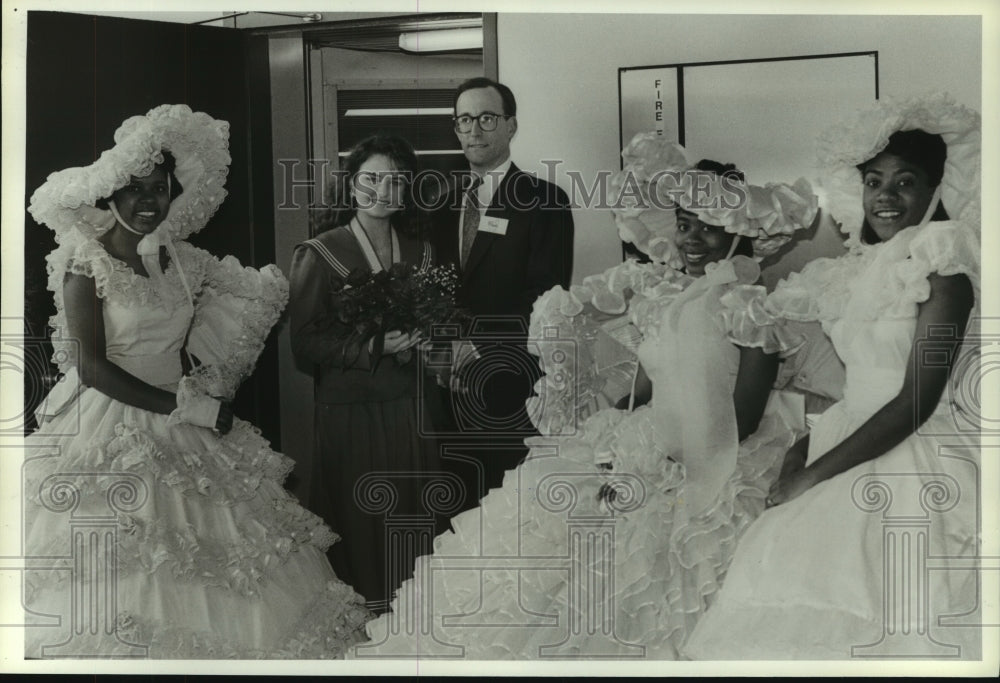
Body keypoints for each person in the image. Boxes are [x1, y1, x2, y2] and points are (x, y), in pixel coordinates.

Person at [355, 134, 818, 658]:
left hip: (719, 452)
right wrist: (608, 440)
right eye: (685, 224)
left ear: (738, 231)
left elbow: (744, 417)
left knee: (650, 571)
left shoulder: (751, 307)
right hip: (650, 437)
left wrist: (665, 468)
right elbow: (644, 392)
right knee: (552, 528)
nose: (694, 238)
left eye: (711, 227)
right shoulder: (662, 298)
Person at [22, 104, 371, 658]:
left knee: (233, 559)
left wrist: (207, 385)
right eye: (134, 190)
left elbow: (251, 300)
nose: (147, 202)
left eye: (159, 189)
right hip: (110, 420)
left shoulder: (184, 260)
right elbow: (91, 367)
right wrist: (182, 407)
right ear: (111, 194)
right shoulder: (83, 264)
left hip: (183, 412)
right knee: (131, 560)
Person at [684, 94, 982, 660]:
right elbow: (856, 388)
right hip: (848, 436)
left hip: (917, 450)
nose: (886, 197)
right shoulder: (852, 271)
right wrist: (801, 449)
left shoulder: (946, 263)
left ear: (935, 191)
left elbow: (915, 400)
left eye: (905, 182)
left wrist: (814, 475)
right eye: (874, 182)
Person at [288, 134, 444, 615]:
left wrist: (428, 339)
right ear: (352, 184)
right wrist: (373, 345)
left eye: (396, 181)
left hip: (408, 404)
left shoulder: (422, 252)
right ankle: (362, 621)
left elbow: (437, 323)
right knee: (358, 517)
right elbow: (306, 342)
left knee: (413, 514)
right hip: (350, 408)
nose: (383, 190)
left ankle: (412, 619)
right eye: (372, 178)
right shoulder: (320, 251)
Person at [432, 77, 575, 514]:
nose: (475, 129)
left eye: (487, 118)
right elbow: (432, 287)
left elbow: (545, 295)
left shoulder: (544, 200)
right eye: (465, 120)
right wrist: (444, 351)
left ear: (511, 126)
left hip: (508, 388)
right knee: (453, 521)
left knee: (507, 518)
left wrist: (472, 345)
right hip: (446, 391)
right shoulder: (439, 201)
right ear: (456, 129)